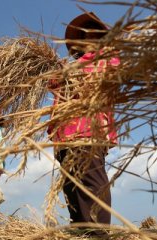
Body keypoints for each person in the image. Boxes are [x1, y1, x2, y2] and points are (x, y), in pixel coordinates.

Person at [47, 12, 119, 227]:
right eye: (83, 35)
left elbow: (94, 81)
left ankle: (98, 233)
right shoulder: (71, 66)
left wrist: (68, 73)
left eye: (91, 34)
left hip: (88, 128)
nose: (86, 39)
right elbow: (56, 88)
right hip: (64, 133)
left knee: (91, 182)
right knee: (71, 186)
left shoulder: (107, 56)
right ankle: (80, 230)